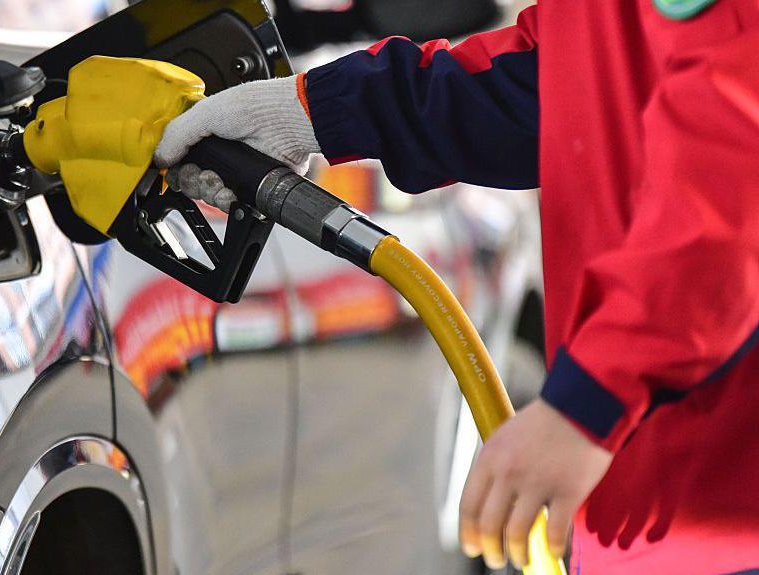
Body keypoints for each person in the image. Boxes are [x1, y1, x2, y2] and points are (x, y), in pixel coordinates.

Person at [153, 2, 759, 573]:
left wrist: (590, 402)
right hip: (660, 518)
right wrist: (315, 112)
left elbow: (735, 166)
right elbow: (559, 79)